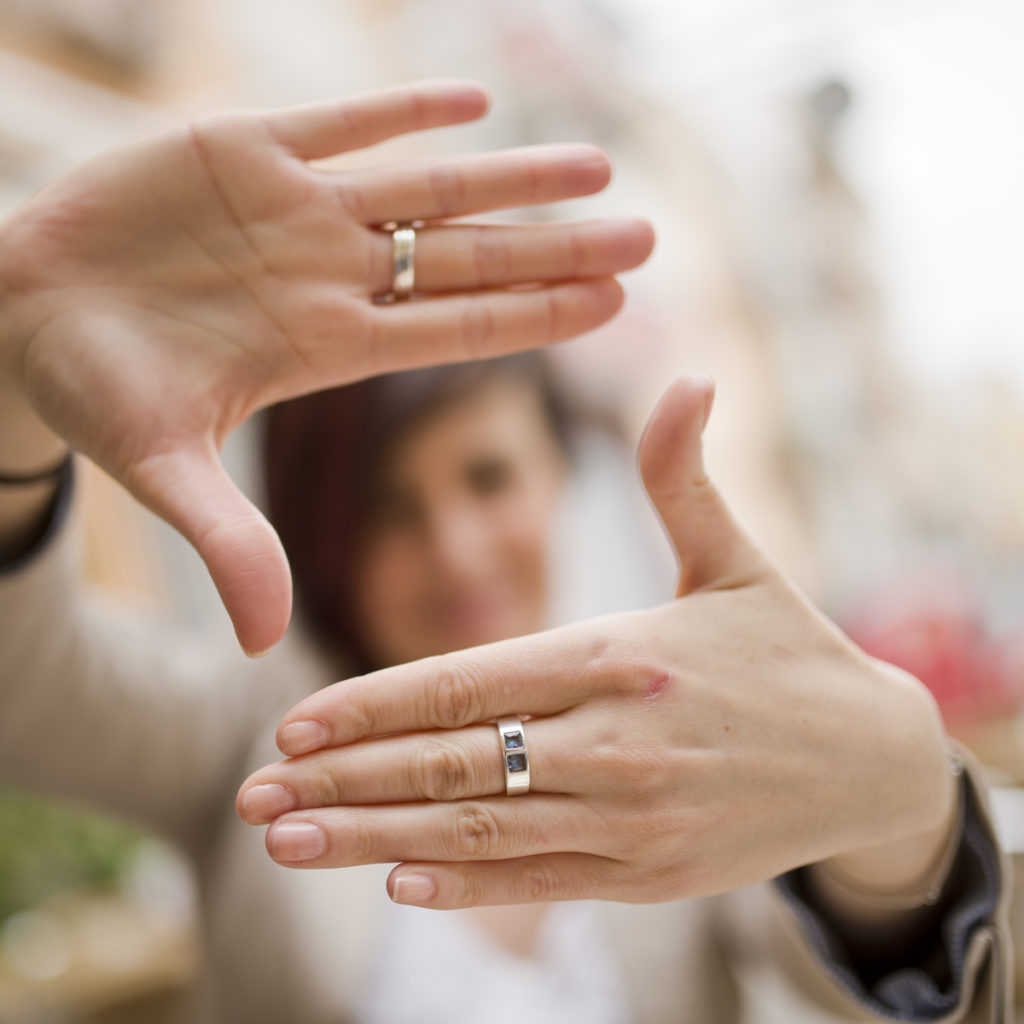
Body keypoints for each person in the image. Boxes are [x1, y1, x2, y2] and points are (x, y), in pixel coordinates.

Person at [0, 81, 1010, 1022]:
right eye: (390, 507)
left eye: (486, 477)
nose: (456, 548)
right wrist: (13, 377)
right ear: (324, 528)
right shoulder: (245, 731)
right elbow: (26, 688)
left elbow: (864, 968)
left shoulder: (675, 714)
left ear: (558, 473)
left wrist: (906, 820)